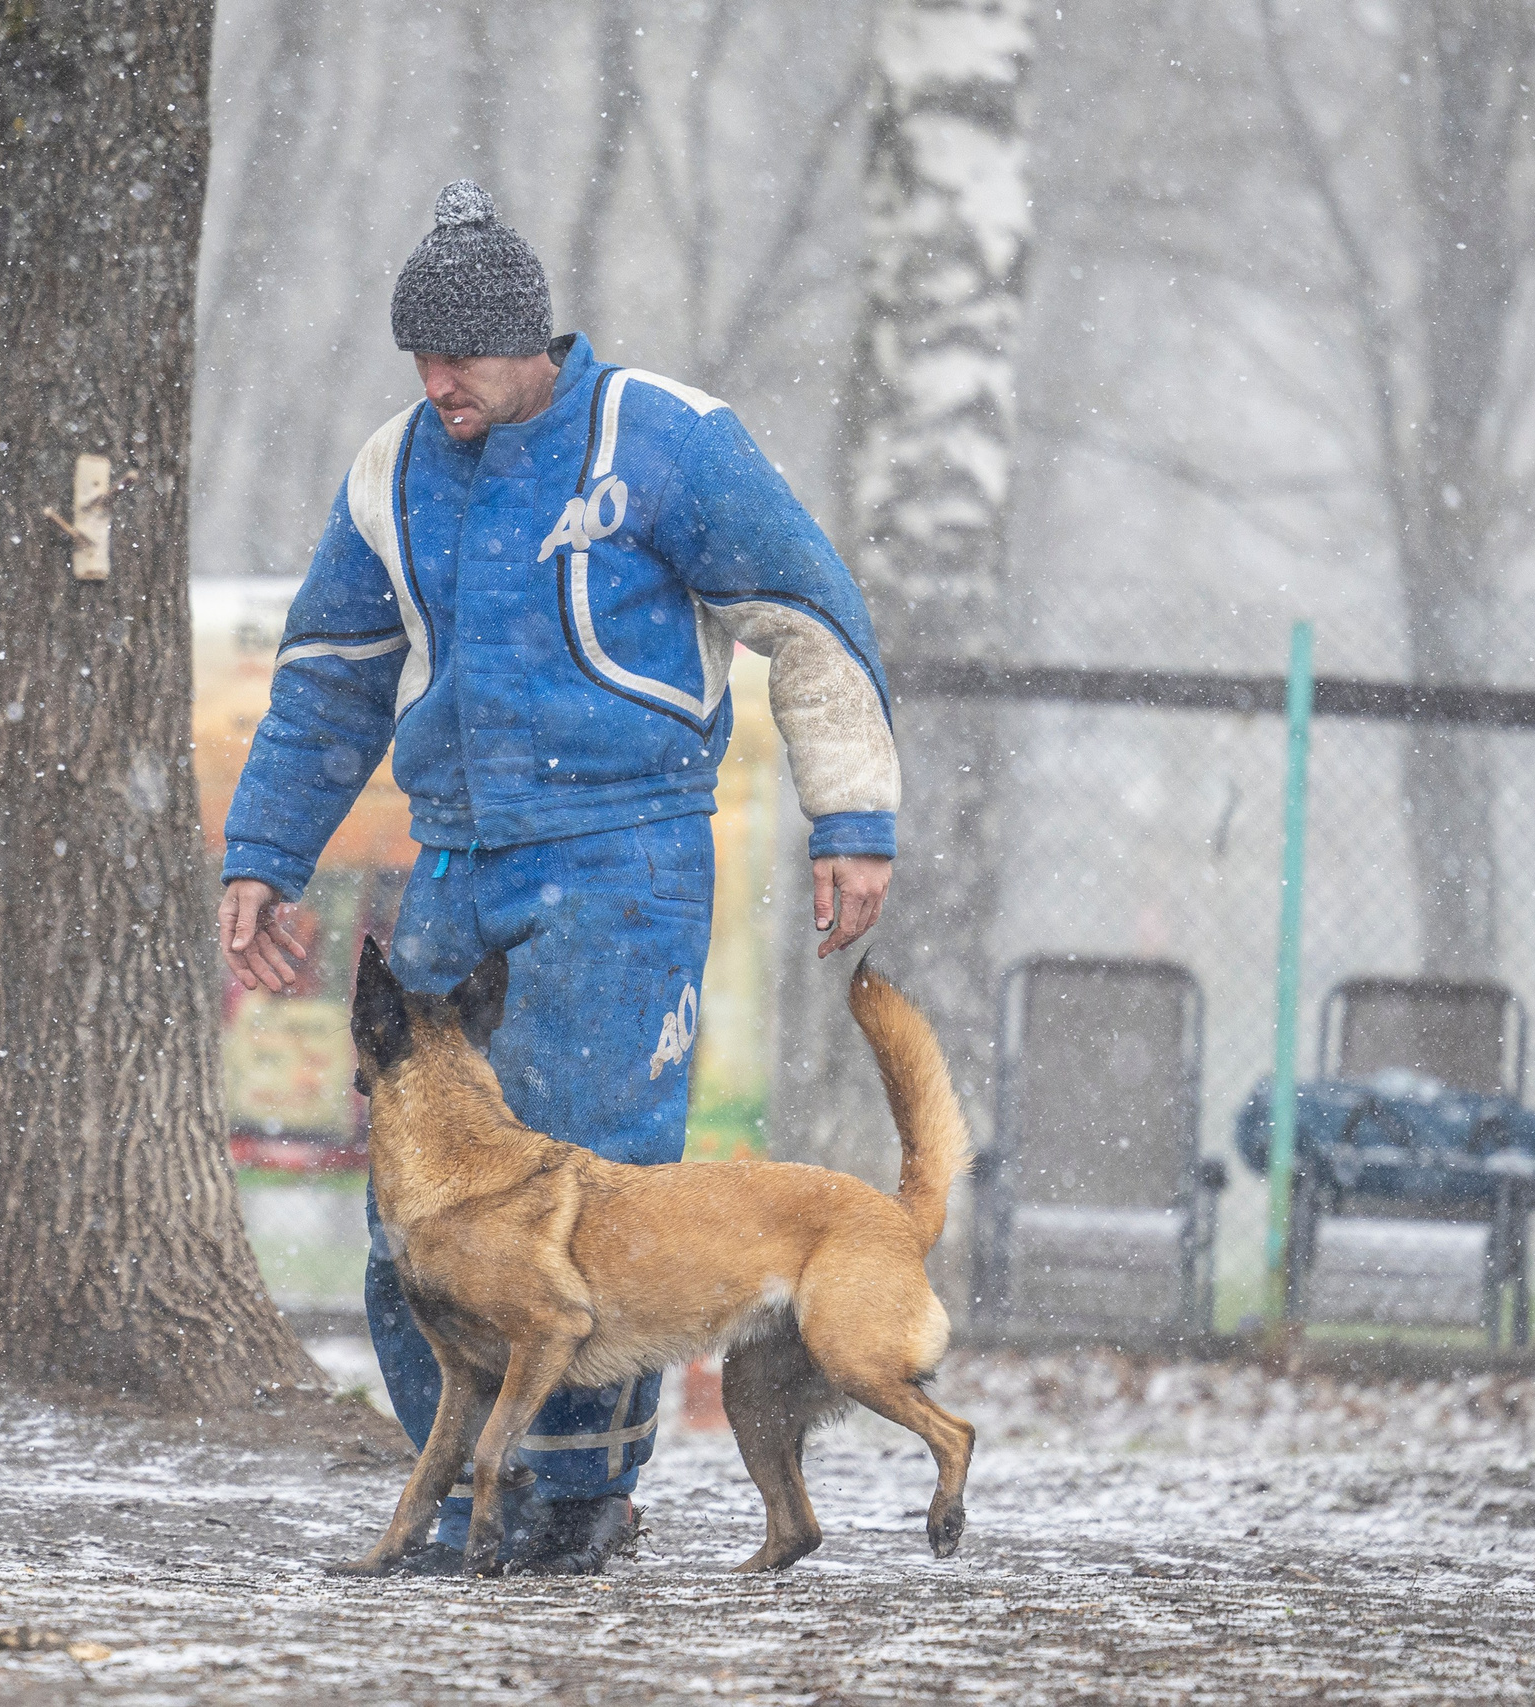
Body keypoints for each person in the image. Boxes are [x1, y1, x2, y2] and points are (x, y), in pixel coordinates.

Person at [216, 179, 900, 1576]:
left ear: (533, 342)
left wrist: (854, 821)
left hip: (623, 863)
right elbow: (327, 686)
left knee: (608, 1210)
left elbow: (812, 622)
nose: (435, 383)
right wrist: (265, 856)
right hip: (457, 861)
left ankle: (580, 1501)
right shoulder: (388, 471)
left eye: (458, 356)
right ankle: (468, 1501)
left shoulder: (667, 441)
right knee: (421, 1213)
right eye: (417, 357)